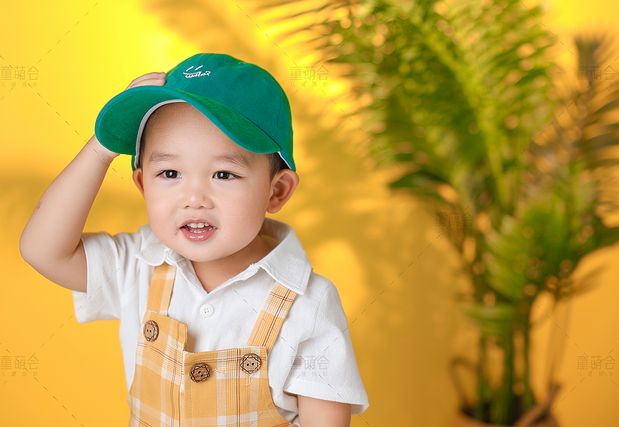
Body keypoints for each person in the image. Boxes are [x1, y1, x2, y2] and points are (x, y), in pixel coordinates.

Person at [19, 53, 369, 426]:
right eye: (170, 173)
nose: (194, 198)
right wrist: (101, 149)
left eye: (223, 174)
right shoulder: (137, 265)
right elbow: (42, 250)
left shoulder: (308, 304)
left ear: (276, 191)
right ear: (142, 184)